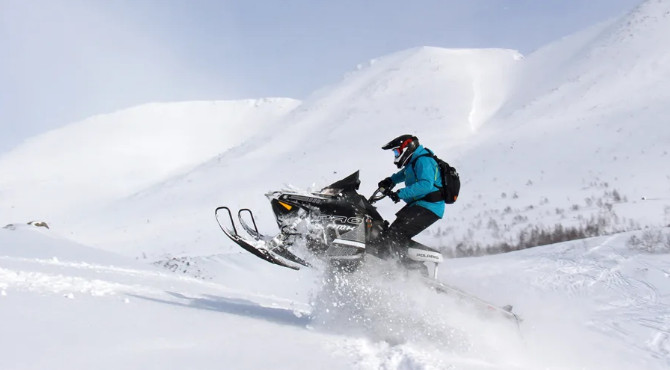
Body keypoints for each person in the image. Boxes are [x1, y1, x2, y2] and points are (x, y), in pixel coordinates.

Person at [374, 134, 444, 262]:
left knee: (396, 235)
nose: (395, 155)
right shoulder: (414, 162)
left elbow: (426, 185)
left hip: (429, 207)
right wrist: (390, 181)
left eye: (396, 151)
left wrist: (400, 193)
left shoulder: (424, 161)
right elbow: (404, 174)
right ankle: (393, 265)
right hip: (419, 206)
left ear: (406, 148)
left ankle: (406, 270)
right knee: (390, 235)